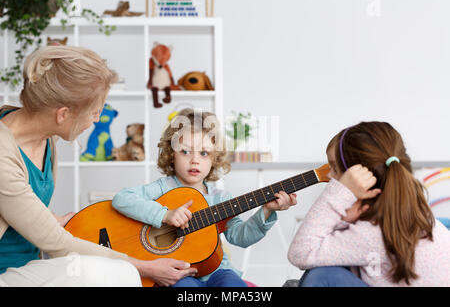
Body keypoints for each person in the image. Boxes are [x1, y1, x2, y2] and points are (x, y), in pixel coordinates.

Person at [0, 46, 196, 287]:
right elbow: (59, 244)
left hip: (29, 266)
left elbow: (15, 200)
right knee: (114, 274)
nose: (96, 119)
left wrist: (49, 219)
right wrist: (146, 267)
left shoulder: (45, 136)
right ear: (62, 114)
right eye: (95, 111)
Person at [112, 108, 298, 287]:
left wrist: (266, 211)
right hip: (178, 271)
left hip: (218, 270)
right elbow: (122, 198)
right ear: (171, 155)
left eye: (204, 153)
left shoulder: (221, 198)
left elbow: (240, 237)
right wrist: (164, 215)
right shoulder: (163, 188)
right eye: (185, 151)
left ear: (214, 158)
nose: (195, 160)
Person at [287, 121, 450, 287]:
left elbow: (300, 253)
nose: (329, 175)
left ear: (359, 179)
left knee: (322, 275)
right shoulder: (399, 213)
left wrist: (338, 193)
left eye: (335, 169)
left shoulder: (371, 230)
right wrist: (344, 219)